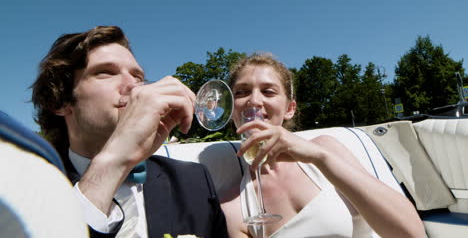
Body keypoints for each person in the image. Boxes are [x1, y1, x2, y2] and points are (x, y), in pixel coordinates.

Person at [31, 26, 228, 238]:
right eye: (105, 73)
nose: (133, 86)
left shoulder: (193, 180)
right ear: (59, 102)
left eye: (137, 76)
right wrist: (113, 161)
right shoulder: (30, 191)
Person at [221, 54, 425, 238]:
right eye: (241, 92)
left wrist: (320, 157)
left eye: (268, 91)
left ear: (290, 109)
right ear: (232, 111)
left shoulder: (326, 149)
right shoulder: (234, 206)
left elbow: (411, 233)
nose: (254, 101)